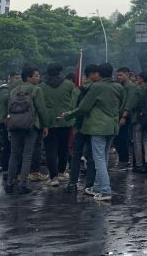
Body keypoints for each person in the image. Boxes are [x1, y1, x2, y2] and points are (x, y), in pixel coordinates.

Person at [62, 63, 123, 202]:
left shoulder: (96, 87)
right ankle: (96, 187)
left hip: (98, 127)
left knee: (99, 159)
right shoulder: (119, 87)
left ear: (99, 74)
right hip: (113, 126)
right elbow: (121, 105)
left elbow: (83, 107)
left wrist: (68, 115)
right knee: (104, 157)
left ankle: (105, 190)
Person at [5, 65, 50, 195]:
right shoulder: (36, 90)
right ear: (28, 77)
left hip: (14, 126)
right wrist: (45, 125)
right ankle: (23, 184)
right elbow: (41, 110)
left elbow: (9, 109)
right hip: (31, 126)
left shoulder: (13, 90)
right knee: (27, 156)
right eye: (36, 75)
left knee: (14, 155)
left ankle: (9, 183)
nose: (38, 78)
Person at [40, 63, 76, 187]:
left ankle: (53, 177)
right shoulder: (70, 85)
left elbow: (40, 106)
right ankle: (61, 173)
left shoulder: (41, 87)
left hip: (48, 122)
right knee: (64, 148)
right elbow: (74, 103)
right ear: (60, 72)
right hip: (65, 120)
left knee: (50, 150)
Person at [64, 65, 98, 193]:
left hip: (79, 126)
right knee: (91, 156)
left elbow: (72, 107)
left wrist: (73, 125)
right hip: (92, 126)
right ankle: (89, 184)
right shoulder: (98, 89)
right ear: (92, 75)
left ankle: (72, 183)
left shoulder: (77, 90)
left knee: (76, 155)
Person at [132, 70, 147, 174]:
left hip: (140, 117)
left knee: (137, 141)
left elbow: (136, 104)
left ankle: (139, 164)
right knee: (146, 140)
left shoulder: (139, 89)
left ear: (141, 79)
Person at [118, 67, 141, 170]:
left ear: (127, 75)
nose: (118, 77)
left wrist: (124, 116)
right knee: (119, 138)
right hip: (123, 115)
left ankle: (123, 161)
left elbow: (129, 102)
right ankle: (123, 161)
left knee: (122, 138)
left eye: (121, 75)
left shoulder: (131, 86)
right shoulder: (123, 86)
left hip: (126, 116)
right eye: (118, 75)